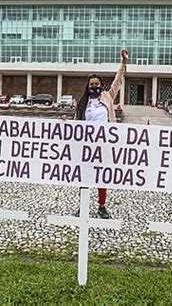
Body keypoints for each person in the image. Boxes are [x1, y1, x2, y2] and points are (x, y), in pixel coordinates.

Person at [73, 48, 128, 219]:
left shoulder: (108, 97)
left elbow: (118, 81)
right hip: (86, 145)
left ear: (101, 85)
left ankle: (102, 206)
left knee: (101, 176)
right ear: (88, 87)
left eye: (97, 84)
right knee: (84, 176)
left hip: (104, 144)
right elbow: (76, 123)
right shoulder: (83, 102)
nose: (94, 86)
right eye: (92, 85)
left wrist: (123, 63)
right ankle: (82, 205)